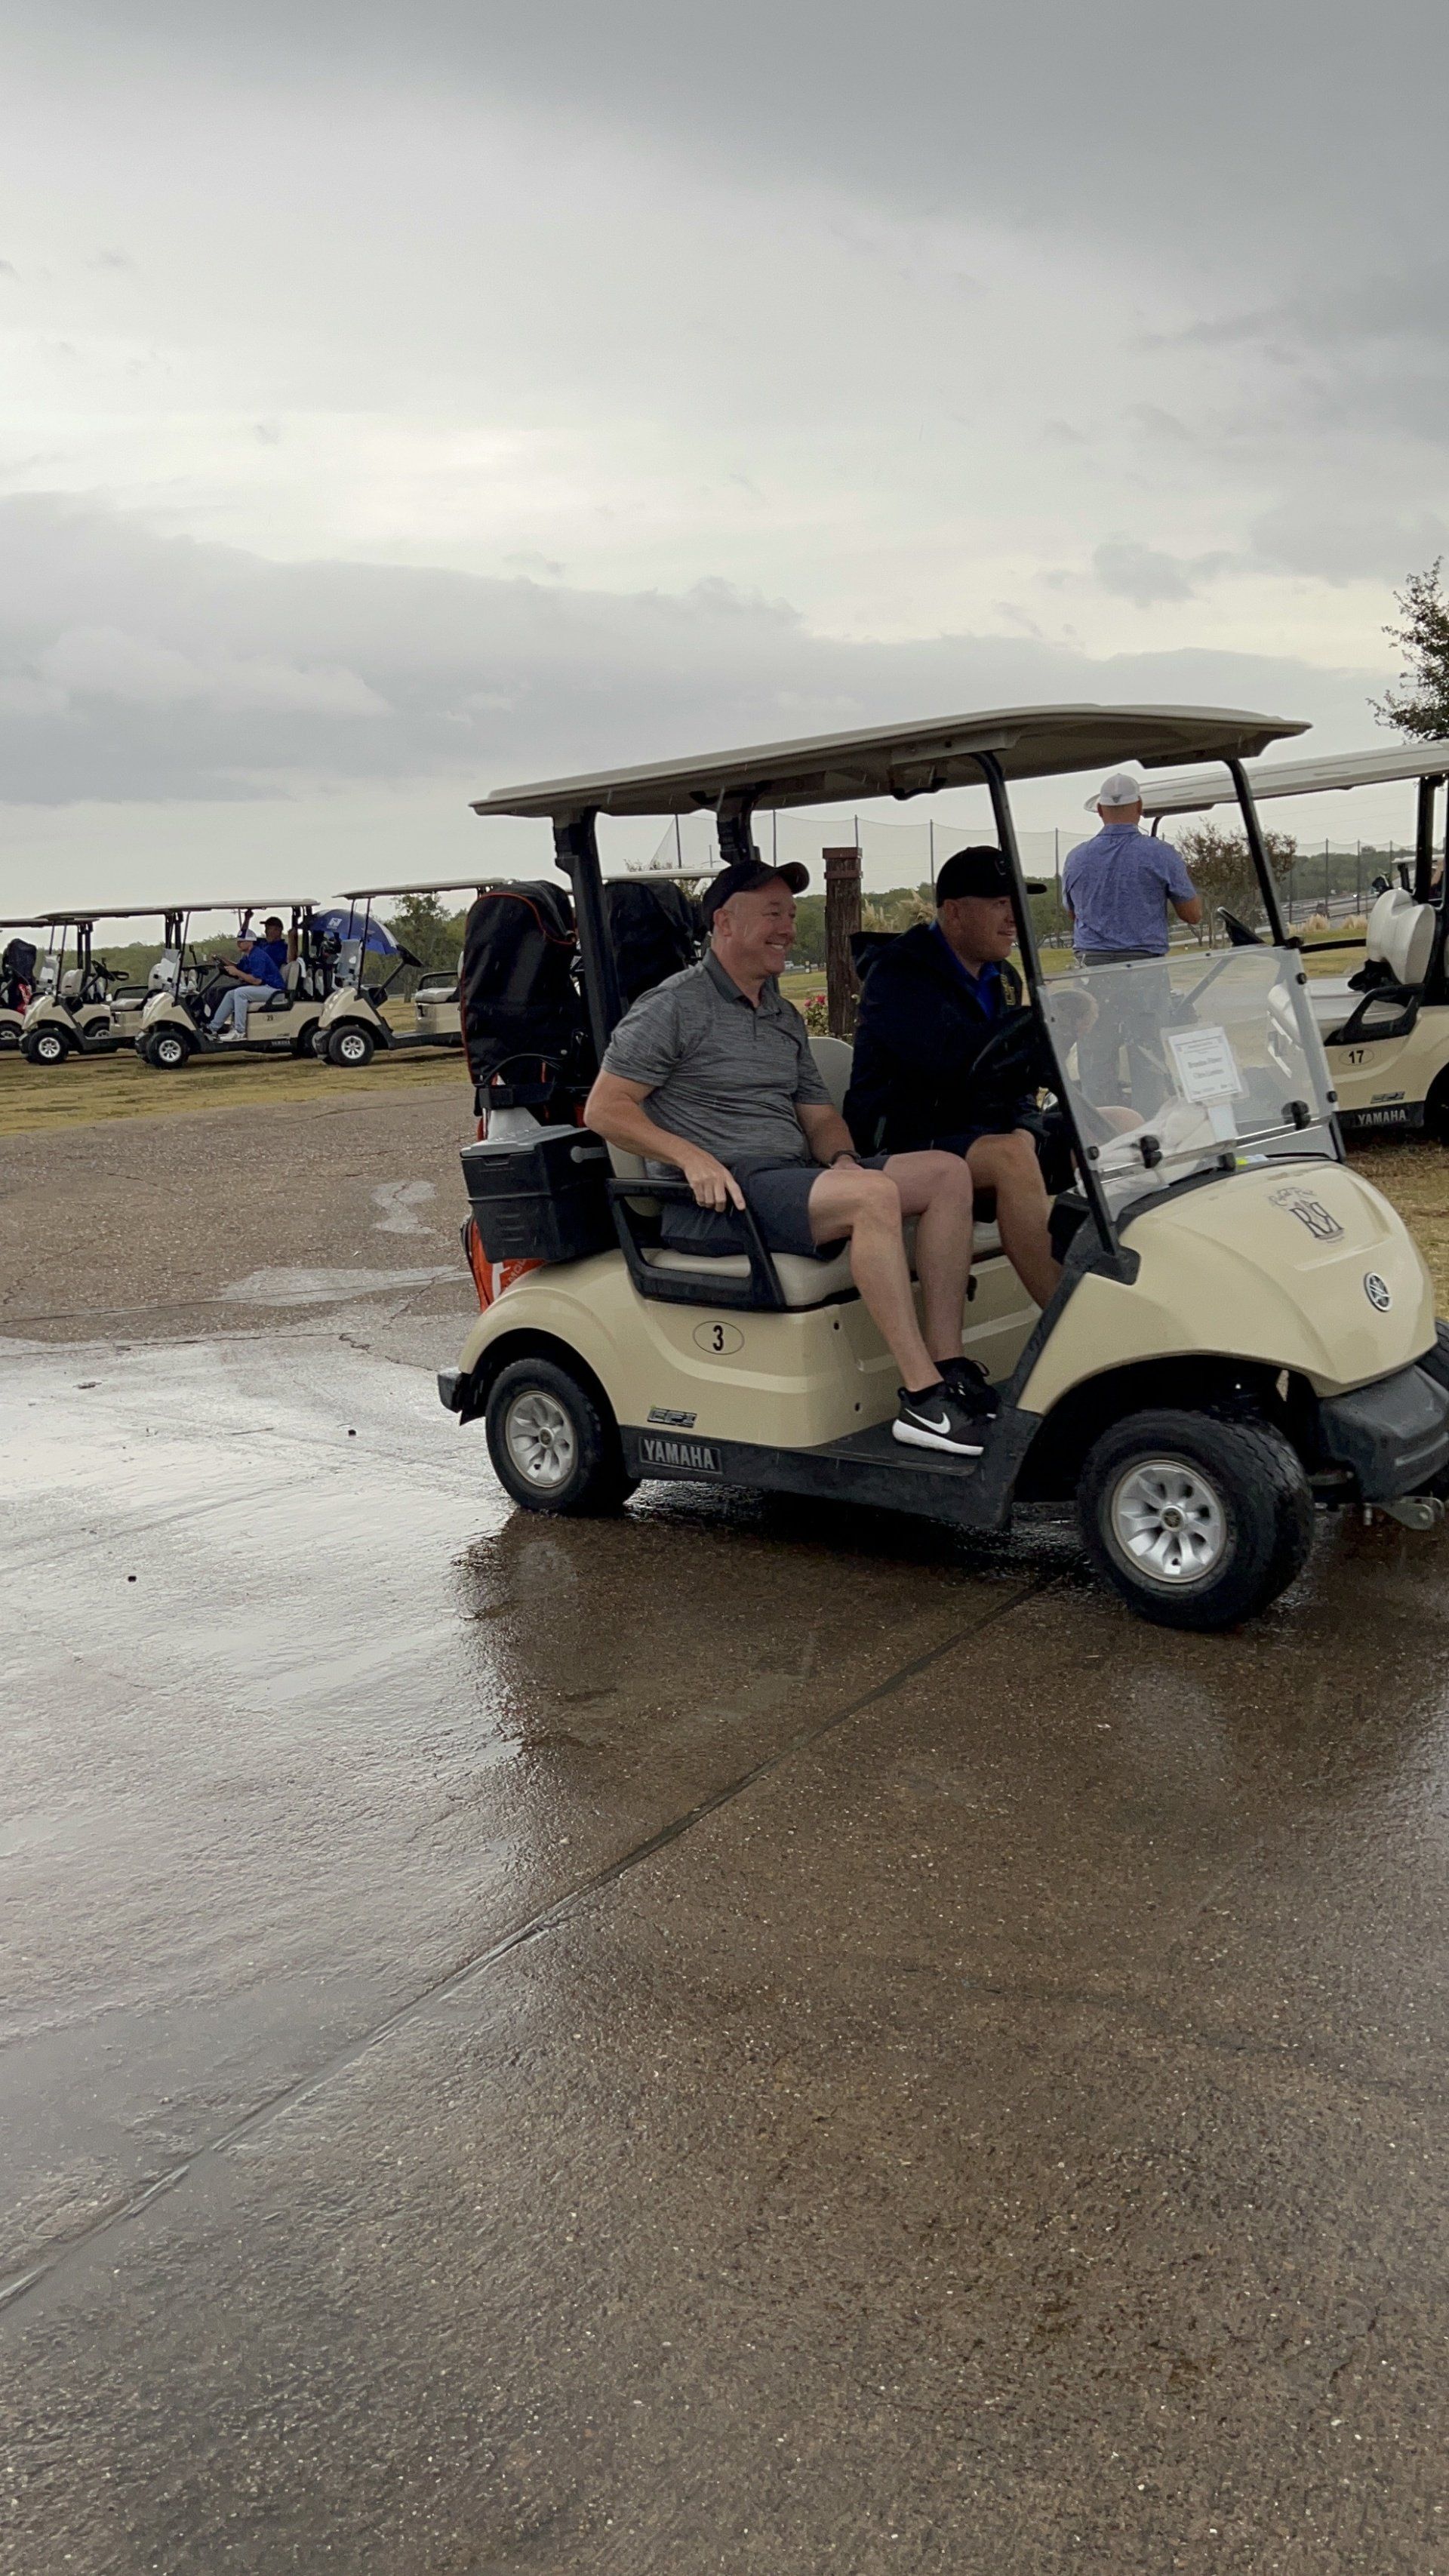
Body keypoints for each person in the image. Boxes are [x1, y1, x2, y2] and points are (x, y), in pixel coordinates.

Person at [585, 856, 997, 1457]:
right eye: (773, 913)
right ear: (724, 922)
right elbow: (605, 1108)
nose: (788, 928)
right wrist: (692, 1158)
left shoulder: (779, 1013)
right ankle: (923, 1400)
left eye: (791, 914)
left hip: (785, 1181)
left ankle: (948, 1363)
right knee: (876, 1197)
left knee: (946, 1174)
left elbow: (819, 1116)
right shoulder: (671, 1006)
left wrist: (844, 1159)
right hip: (719, 1198)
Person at [844, 846, 1060, 1310]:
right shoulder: (899, 976)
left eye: (1015, 905)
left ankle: (1127, 1286)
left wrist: (1028, 1126)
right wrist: (1025, 1036)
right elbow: (951, 1069)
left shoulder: (1003, 977)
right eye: (999, 905)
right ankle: (1072, 1320)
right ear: (955, 912)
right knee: (1010, 1158)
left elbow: (1015, 1079)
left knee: (1113, 1124)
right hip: (907, 1138)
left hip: (982, 1133)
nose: (1012, 920)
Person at [1063, 773, 1201, 1109]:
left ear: (1099, 810)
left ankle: (1104, 1126)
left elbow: (1073, 913)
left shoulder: (1076, 857)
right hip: (1143, 968)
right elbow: (1193, 914)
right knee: (1147, 1052)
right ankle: (1149, 1124)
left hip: (1093, 969)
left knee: (1096, 1052)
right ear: (1139, 807)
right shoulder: (1160, 854)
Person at [208, 917, 288, 1040]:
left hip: (275, 991)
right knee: (231, 994)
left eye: (242, 941)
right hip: (266, 988)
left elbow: (257, 981)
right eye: (238, 941)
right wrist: (222, 960)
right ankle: (213, 1028)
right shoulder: (249, 955)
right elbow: (239, 968)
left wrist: (237, 973)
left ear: (250, 942)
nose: (239, 944)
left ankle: (240, 1031)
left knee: (240, 993)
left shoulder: (257, 956)